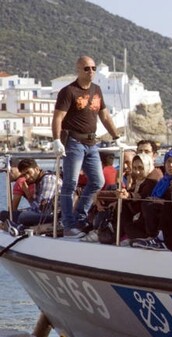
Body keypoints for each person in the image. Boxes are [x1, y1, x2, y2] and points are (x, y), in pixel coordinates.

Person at [52, 55, 124, 238]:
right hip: (74, 142)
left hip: (92, 143)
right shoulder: (68, 91)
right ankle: (68, 225)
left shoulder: (97, 90)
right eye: (86, 68)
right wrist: (56, 140)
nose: (91, 71)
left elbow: (105, 116)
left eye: (93, 68)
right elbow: (58, 117)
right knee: (70, 183)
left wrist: (116, 137)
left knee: (97, 181)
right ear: (78, 70)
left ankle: (79, 218)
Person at [132, 149, 172, 250]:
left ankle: (158, 238)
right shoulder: (164, 180)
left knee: (151, 205)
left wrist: (164, 202)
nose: (171, 165)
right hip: (165, 208)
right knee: (148, 204)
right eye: (168, 162)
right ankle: (151, 237)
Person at [118, 153, 160, 241]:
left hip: (146, 221)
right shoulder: (135, 179)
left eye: (141, 168)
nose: (137, 172)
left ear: (148, 166)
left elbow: (144, 195)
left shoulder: (152, 181)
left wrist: (129, 195)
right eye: (135, 168)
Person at [12, 159, 61, 227]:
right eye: (24, 175)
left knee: (22, 216)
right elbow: (37, 206)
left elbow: (41, 208)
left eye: (28, 172)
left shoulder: (48, 179)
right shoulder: (39, 181)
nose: (27, 177)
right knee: (11, 214)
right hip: (45, 212)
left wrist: (28, 195)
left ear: (37, 169)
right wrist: (28, 193)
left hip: (54, 215)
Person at [0, 158, 35, 222]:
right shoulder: (27, 178)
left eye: (11, 171)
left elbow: (13, 209)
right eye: (6, 172)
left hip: (37, 211)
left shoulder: (20, 181)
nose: (8, 174)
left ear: (17, 168)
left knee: (3, 214)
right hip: (39, 208)